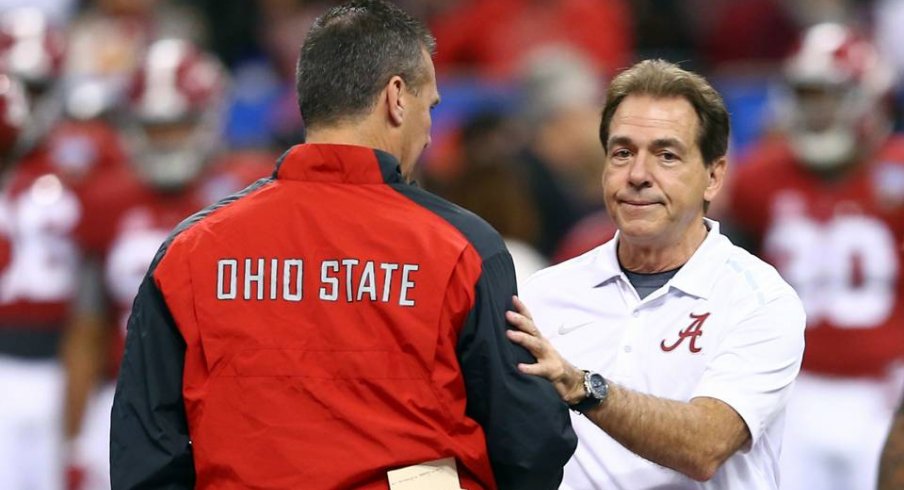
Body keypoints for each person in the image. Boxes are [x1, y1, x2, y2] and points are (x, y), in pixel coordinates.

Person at [109, 1, 576, 489]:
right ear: (396, 98)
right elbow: (532, 443)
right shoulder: (461, 246)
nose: (430, 130)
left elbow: (144, 456)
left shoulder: (190, 251)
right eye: (429, 106)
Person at [505, 59, 807, 489]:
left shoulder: (760, 300)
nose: (639, 176)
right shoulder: (544, 293)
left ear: (713, 176)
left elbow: (706, 446)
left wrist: (583, 387)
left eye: (666, 155)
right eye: (623, 153)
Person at [726, 23, 904, 490]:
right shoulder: (760, 176)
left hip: (886, 388)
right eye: (807, 95)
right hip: (792, 386)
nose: (816, 111)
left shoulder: (896, 172)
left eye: (828, 95)